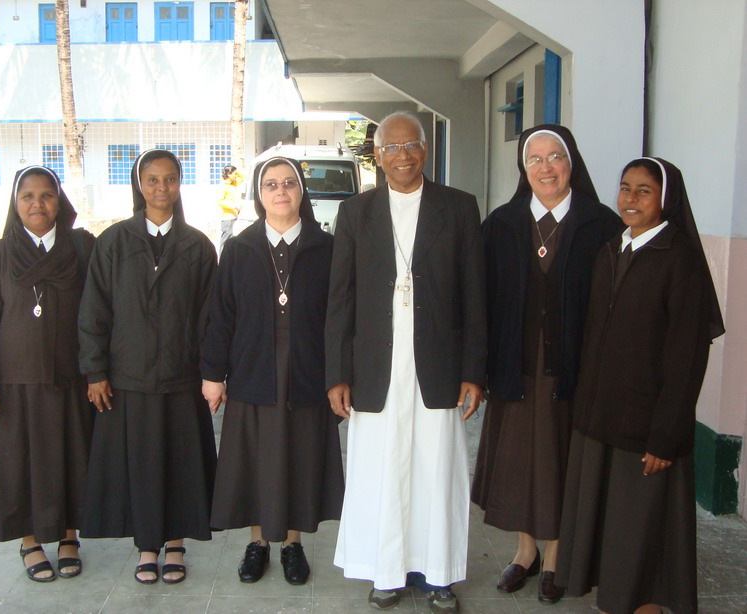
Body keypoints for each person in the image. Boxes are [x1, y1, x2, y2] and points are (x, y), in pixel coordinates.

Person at [326, 110, 487, 614]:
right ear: (377, 156)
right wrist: (337, 374)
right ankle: (387, 571)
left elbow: (475, 295)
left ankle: (439, 574)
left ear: (425, 150)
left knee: (437, 469)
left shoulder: (459, 207)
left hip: (438, 364)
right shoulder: (356, 212)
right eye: (391, 148)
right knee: (380, 468)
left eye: (411, 145)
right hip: (375, 366)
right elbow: (340, 299)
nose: (402, 156)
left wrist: (473, 371)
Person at [556, 158, 724, 614]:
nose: (630, 199)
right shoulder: (613, 249)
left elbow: (686, 358)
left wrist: (665, 436)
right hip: (601, 420)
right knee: (614, 534)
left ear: (666, 199)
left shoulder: (680, 260)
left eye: (644, 191)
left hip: (646, 430)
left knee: (641, 537)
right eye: (625, 188)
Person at [470, 125, 622, 603]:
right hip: (514, 365)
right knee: (520, 460)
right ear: (523, 168)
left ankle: (557, 556)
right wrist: (478, 368)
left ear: (570, 162)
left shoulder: (601, 224)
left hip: (573, 366)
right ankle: (525, 552)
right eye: (534, 159)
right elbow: (480, 301)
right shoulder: (501, 223)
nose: (545, 167)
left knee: (561, 458)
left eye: (554, 156)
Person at [202, 156, 344, 586]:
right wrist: (213, 374)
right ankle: (258, 542)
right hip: (253, 369)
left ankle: (292, 544)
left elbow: (340, 317)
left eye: (288, 183)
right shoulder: (239, 249)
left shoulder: (327, 248)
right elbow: (220, 316)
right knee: (256, 460)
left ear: (301, 191)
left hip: (307, 371)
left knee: (299, 458)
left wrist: (341, 375)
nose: (280, 191)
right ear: (259, 194)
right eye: (270, 184)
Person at [78, 149, 218, 585]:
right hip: (129, 378)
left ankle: (175, 543)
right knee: (140, 466)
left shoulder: (197, 246)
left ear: (180, 183)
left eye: (170, 179)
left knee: (179, 464)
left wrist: (211, 374)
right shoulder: (113, 242)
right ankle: (146, 546)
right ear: (140, 185)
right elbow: (94, 311)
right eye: (152, 180)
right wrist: (96, 371)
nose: (161, 188)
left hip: (181, 378)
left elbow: (210, 317)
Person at [0, 166, 95, 582]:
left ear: (59, 202)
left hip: (70, 378)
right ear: (15, 203)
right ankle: (29, 541)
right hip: (14, 382)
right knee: (20, 464)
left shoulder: (81, 249)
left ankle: (68, 536)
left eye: (46, 195)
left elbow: (99, 310)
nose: (37, 204)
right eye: (28, 196)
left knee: (70, 459)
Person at [217, 164, 245, 249]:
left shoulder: (233, 184)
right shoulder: (223, 186)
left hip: (234, 215)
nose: (236, 176)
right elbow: (219, 201)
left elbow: (243, 177)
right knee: (226, 239)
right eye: (234, 174)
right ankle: (222, 256)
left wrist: (237, 171)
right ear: (229, 174)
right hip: (228, 217)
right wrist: (233, 206)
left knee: (232, 240)